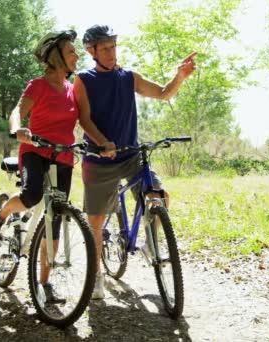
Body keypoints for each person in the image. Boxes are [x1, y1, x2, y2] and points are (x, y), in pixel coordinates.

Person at [73, 24, 197, 300]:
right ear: (91, 51)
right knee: (95, 221)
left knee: (158, 194)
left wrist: (180, 76)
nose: (111, 52)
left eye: (113, 46)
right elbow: (84, 118)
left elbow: (164, 93)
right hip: (98, 159)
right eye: (104, 48)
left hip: (130, 155)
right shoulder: (84, 79)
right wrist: (103, 141)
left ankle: (151, 241)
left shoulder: (128, 77)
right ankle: (96, 276)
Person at [0, 30, 80, 304]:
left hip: (63, 156)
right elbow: (17, 111)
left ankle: (44, 283)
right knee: (32, 195)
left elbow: (88, 121)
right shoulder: (37, 85)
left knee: (56, 216)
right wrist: (17, 129)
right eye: (71, 51)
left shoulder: (74, 90)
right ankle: (0, 217)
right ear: (56, 57)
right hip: (35, 151)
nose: (77, 55)